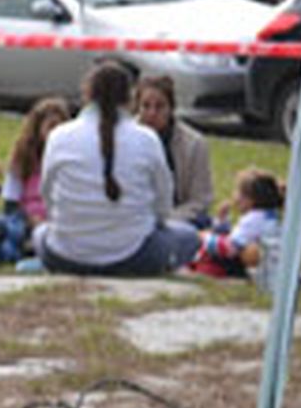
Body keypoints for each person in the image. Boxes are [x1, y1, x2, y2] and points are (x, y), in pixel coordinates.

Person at [33, 61, 200, 277]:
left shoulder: (59, 137)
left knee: (40, 233)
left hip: (64, 256)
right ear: (130, 98)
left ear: (87, 94)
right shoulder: (146, 139)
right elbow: (163, 207)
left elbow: (47, 198)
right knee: (189, 236)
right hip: (134, 257)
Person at [0, 96, 71, 262]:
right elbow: (11, 202)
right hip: (25, 217)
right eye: (51, 127)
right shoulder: (24, 157)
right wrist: (31, 218)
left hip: (58, 217)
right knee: (12, 230)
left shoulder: (70, 158)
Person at [132, 75, 214, 228]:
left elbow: (201, 199)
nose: (152, 113)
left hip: (179, 217)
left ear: (171, 108)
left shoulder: (194, 143)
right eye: (146, 106)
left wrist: (169, 219)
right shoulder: (123, 138)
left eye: (160, 106)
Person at [187, 167, 284, 279]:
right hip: (251, 261)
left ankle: (201, 269)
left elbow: (230, 248)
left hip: (234, 265)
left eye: (238, 192)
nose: (234, 196)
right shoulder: (267, 216)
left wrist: (205, 238)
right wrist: (222, 221)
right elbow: (236, 236)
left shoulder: (252, 220)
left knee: (206, 252)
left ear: (250, 200)